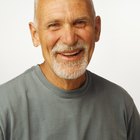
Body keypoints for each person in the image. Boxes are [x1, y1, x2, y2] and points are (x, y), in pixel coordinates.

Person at [0, 0, 140, 139]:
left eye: (79, 23)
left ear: (97, 29)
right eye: (54, 25)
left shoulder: (121, 105)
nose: (69, 39)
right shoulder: (4, 107)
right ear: (35, 34)